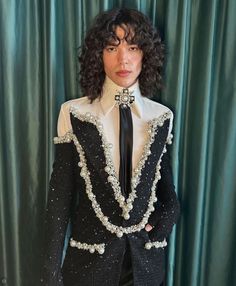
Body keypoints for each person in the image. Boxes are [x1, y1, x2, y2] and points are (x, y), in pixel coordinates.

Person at [40, 8, 180, 286]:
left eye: (133, 46)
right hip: (88, 269)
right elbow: (60, 201)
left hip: (146, 267)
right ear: (98, 55)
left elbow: (168, 195)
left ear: (145, 54)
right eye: (112, 47)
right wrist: (49, 274)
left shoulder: (161, 116)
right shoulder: (74, 113)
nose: (123, 58)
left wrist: (161, 224)